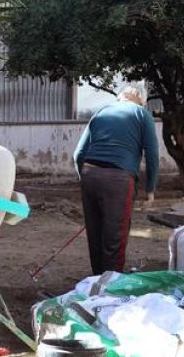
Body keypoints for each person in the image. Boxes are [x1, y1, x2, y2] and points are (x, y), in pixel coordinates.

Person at [73, 86, 160, 275]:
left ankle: (97, 280)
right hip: (118, 179)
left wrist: (84, 178)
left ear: (120, 97)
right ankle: (110, 286)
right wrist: (150, 189)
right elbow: (152, 154)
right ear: (141, 100)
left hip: (89, 174)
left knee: (95, 233)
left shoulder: (102, 111)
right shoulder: (141, 114)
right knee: (115, 237)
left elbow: (78, 153)